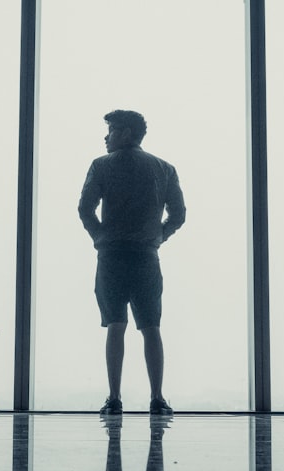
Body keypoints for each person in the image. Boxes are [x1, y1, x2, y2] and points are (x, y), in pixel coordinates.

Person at [79, 109, 186, 416]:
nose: (106, 136)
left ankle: (114, 398)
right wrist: (158, 237)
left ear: (125, 133)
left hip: (111, 256)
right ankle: (157, 397)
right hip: (146, 256)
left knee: (115, 325)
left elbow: (85, 208)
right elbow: (178, 215)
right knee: (151, 326)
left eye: (110, 130)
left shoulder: (101, 165)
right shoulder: (165, 168)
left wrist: (101, 237)